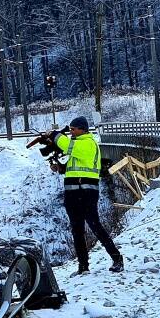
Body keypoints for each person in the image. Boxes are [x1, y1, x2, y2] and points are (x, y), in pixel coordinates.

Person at [54, 116, 123, 274]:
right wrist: (61, 168)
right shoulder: (78, 145)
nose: (71, 132)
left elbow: (66, 146)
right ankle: (83, 267)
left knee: (94, 225)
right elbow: (76, 167)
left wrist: (55, 135)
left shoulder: (88, 143)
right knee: (76, 229)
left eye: (73, 129)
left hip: (86, 192)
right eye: (70, 129)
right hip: (72, 192)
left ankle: (117, 258)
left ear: (82, 129)